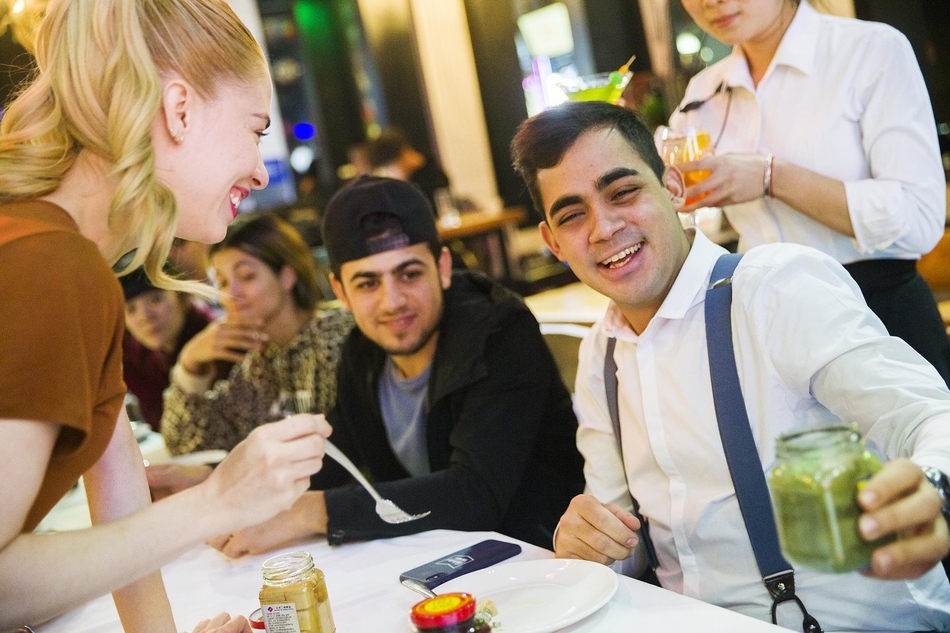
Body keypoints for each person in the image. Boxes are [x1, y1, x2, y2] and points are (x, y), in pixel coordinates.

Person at [510, 101, 950, 631]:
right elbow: (625, 544)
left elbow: (927, 415)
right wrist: (593, 541)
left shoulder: (773, 288)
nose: (603, 228)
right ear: (553, 241)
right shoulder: (599, 353)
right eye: (572, 214)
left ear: (672, 188)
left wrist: (933, 486)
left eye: (623, 192)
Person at [0, 1, 331, 631]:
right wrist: (218, 502)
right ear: (179, 110)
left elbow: (120, 499)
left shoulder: (77, 264)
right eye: (255, 129)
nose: (261, 170)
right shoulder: (48, 265)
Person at [207, 176, 585, 557]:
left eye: (409, 274)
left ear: (442, 267)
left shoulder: (499, 332)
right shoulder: (362, 351)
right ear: (341, 292)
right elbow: (337, 458)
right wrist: (224, 489)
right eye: (368, 284)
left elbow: (476, 493)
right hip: (441, 565)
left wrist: (305, 514)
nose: (392, 302)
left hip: (542, 561)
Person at [668, 0, 950, 384]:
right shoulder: (702, 92)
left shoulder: (870, 50)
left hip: (877, 312)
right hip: (767, 330)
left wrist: (772, 177)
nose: (709, 2)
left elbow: (918, 218)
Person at [156, 213, 351, 493]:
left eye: (246, 276)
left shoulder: (339, 339)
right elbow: (187, 445)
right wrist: (189, 365)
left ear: (286, 276)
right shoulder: (260, 361)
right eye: (222, 282)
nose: (232, 293)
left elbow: (332, 459)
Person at [120, 266, 218, 432]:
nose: (145, 317)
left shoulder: (215, 339)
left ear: (184, 296)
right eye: (130, 309)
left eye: (155, 299)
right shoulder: (134, 355)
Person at [369, 128, 451, 213]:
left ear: (404, 154)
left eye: (388, 167)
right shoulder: (410, 181)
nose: (388, 174)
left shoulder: (434, 178)